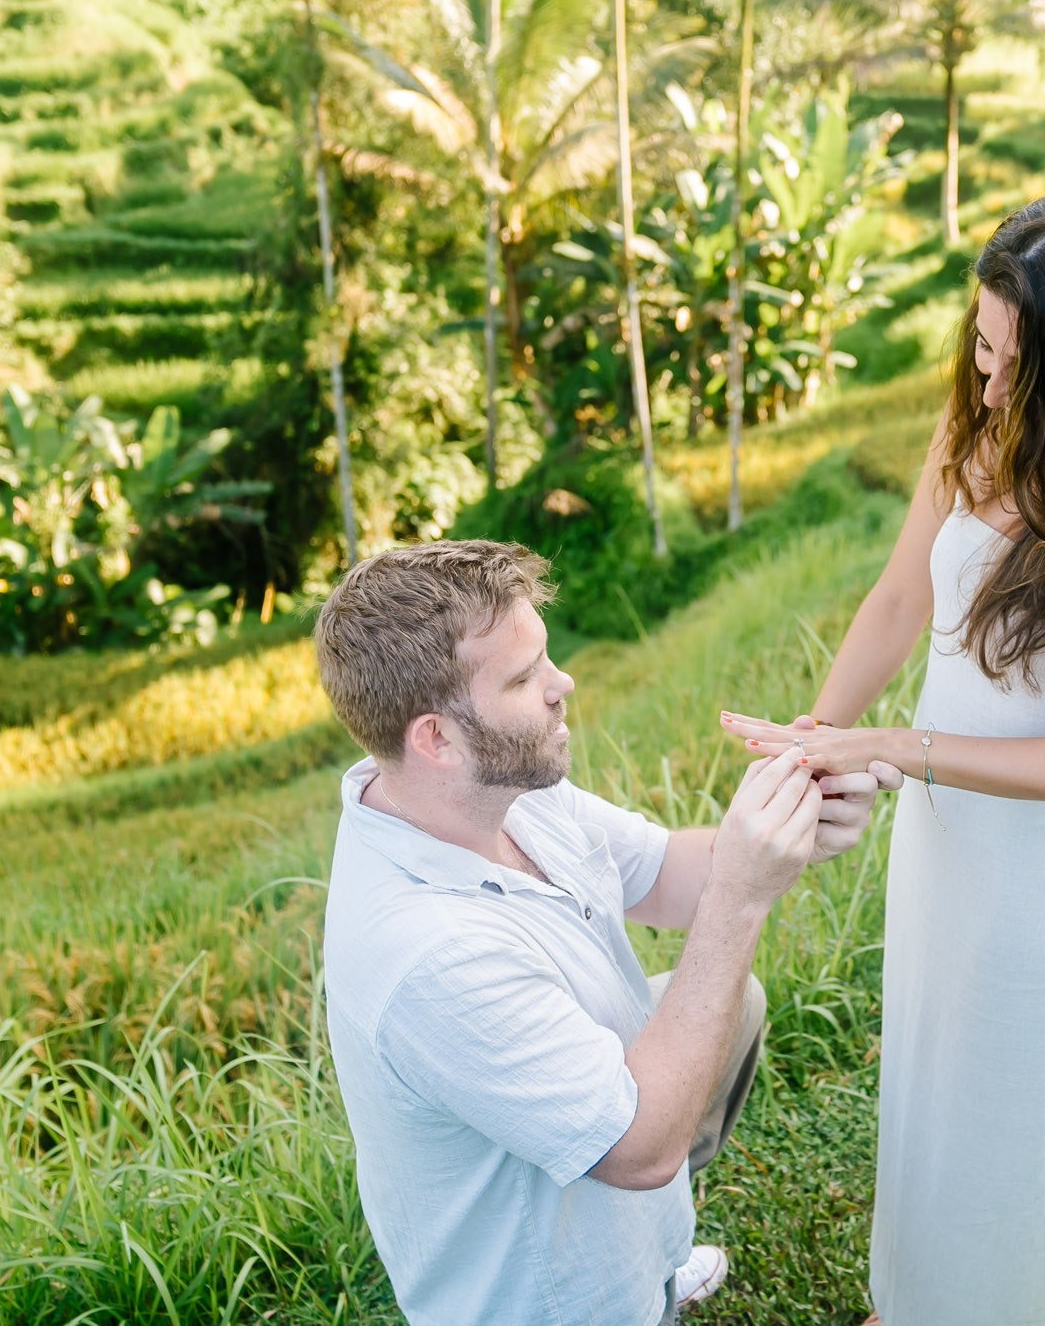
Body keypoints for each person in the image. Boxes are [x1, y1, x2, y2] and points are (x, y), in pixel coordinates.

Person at [723, 191, 1045, 1325]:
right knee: (929, 1096)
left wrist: (901, 744)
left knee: (1015, 1126)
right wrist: (815, 735)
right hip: (945, 846)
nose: (990, 388)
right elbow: (902, 593)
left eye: (1018, 367)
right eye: (982, 351)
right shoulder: (978, 429)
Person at [316, 539, 886, 1326]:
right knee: (647, 1136)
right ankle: (632, 1275)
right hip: (546, 1303)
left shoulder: (496, 789)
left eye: (545, 658)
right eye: (523, 678)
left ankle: (652, 1253)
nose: (563, 685)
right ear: (435, 738)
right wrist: (741, 898)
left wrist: (796, 813)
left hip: (610, 1192)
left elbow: (670, 875)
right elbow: (643, 1148)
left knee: (735, 1004)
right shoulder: (426, 953)